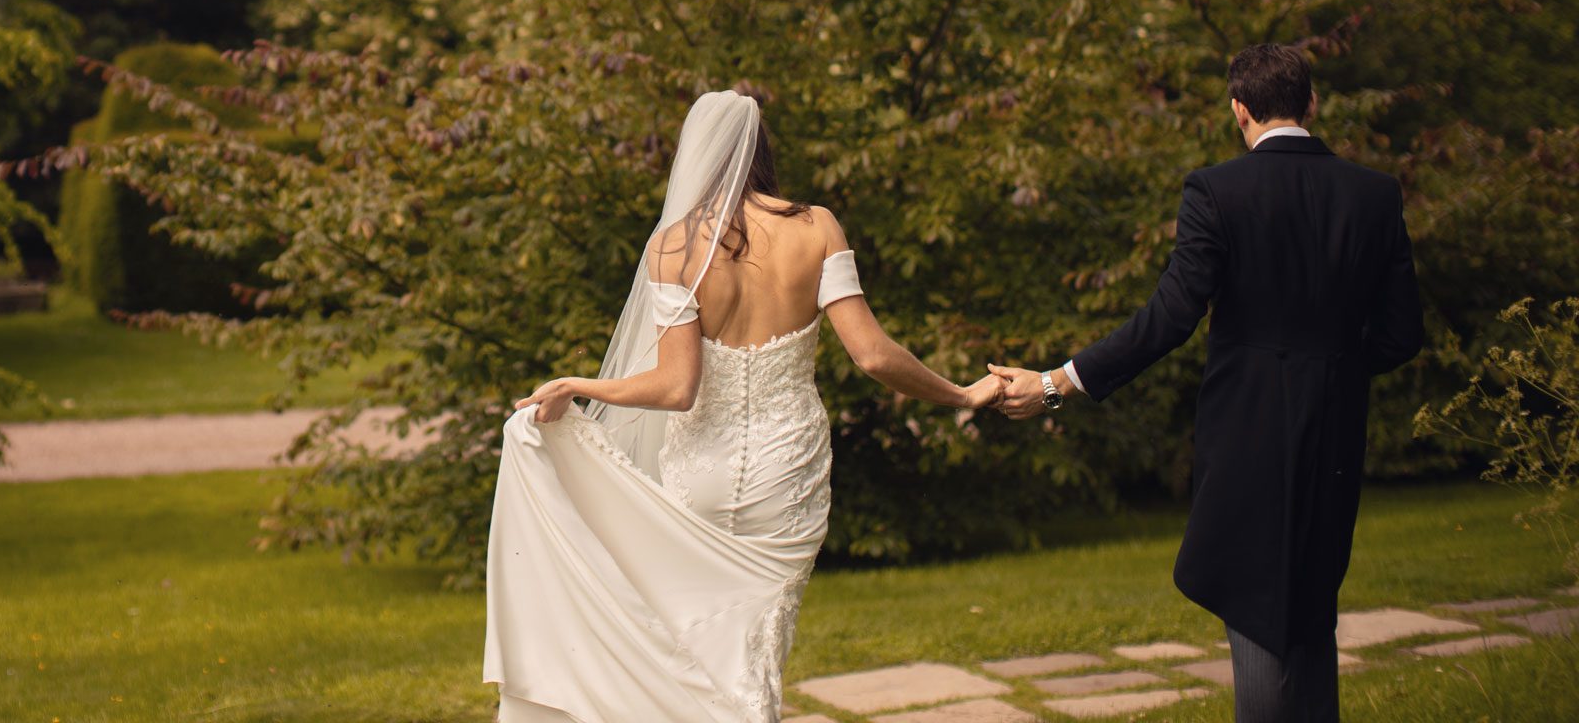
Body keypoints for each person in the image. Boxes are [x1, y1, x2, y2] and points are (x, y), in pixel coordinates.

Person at [483, 89, 1004, 722]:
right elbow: (871, 356)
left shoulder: (673, 246)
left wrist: (580, 386)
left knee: (693, 648)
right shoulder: (817, 226)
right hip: (786, 470)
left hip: (698, 469)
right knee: (756, 651)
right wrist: (958, 393)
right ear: (763, 152)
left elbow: (677, 389)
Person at [990, 44, 1424, 723]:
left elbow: (1170, 318)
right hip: (1335, 434)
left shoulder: (1217, 190)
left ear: (1239, 111)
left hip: (1246, 435)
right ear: (1312, 104)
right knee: (1311, 611)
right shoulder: (1374, 195)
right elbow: (1401, 336)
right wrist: (1328, 370)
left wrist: (1055, 384)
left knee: (1254, 604)